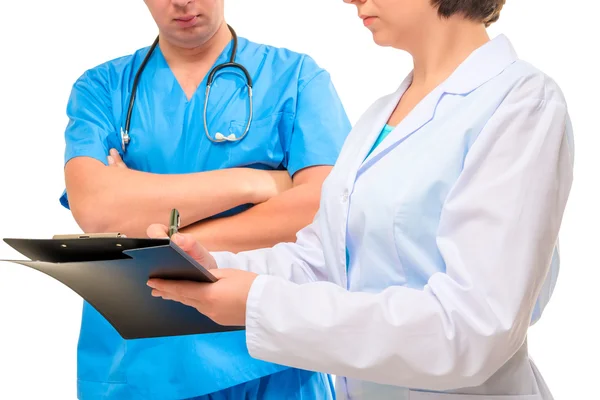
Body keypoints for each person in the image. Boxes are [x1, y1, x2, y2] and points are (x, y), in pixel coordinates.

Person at [145, 0, 574, 399]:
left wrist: (260, 302)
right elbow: (326, 262)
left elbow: (470, 329)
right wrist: (218, 268)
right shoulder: (378, 116)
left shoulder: (521, 103)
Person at [59, 0, 351, 398]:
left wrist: (163, 240)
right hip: (136, 358)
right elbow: (95, 208)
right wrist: (258, 184)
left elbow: (323, 207)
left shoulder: (295, 77)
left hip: (264, 353)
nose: (182, 2)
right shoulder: (102, 88)